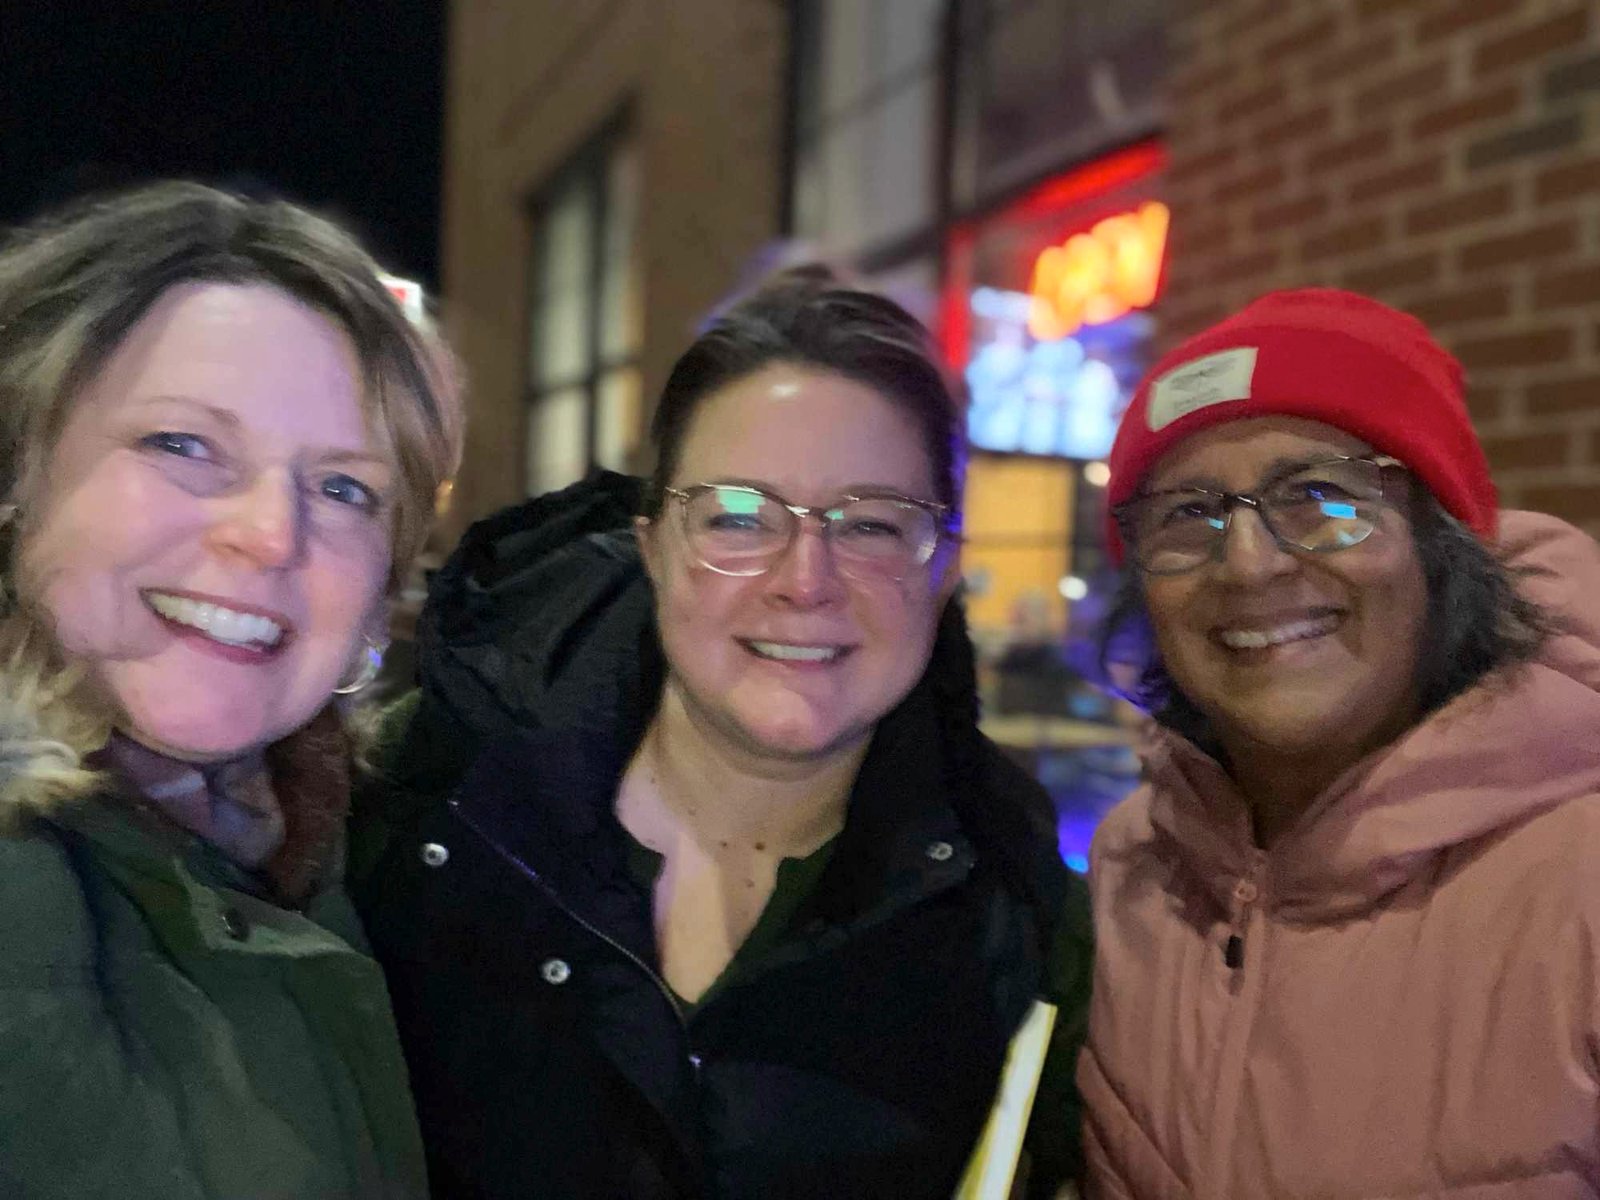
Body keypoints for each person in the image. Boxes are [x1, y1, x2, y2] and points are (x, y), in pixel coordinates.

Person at [349, 269, 1093, 1199]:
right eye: (739, 517)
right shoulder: (422, 797)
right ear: (654, 547)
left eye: (871, 525)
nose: (806, 580)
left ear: (943, 573)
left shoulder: (1019, 919)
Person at [1079, 287, 1600, 1197]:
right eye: (1187, 514)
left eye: (1321, 495)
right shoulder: (1131, 871)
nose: (1249, 563)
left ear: (1440, 545)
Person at [0, 181, 464, 1199]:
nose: (271, 534)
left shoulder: (324, 846)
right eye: (182, 444)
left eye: (344, 487)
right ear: (18, 473)